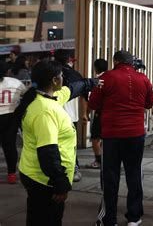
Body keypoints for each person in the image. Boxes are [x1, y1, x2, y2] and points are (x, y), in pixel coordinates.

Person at [17, 60, 96, 225]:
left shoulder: (48, 97)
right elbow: (48, 152)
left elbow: (71, 90)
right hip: (43, 179)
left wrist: (91, 83)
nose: (63, 79)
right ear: (54, 80)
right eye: (61, 76)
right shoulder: (45, 111)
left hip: (37, 173)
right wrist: (59, 182)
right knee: (47, 220)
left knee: (40, 217)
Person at [89, 51, 153, 226]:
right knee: (134, 174)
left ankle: (109, 219)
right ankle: (134, 217)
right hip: (136, 134)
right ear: (132, 62)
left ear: (115, 61)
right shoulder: (143, 78)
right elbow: (149, 103)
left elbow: (93, 103)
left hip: (112, 135)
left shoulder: (106, 78)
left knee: (110, 177)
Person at [54, 49, 87, 182]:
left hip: (53, 114)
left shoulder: (50, 73)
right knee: (70, 145)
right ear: (69, 60)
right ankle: (74, 169)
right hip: (70, 116)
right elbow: (84, 95)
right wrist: (84, 113)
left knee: (54, 144)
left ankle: (57, 169)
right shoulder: (76, 75)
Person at [0, 61, 26, 184]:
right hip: (11, 117)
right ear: (7, 71)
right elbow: (26, 95)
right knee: (9, 146)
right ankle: (11, 175)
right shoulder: (16, 83)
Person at [88, 59, 108, 169]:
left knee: (96, 136)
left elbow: (93, 100)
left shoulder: (99, 80)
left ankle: (98, 160)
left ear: (95, 68)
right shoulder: (112, 77)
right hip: (112, 112)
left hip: (100, 112)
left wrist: (87, 112)